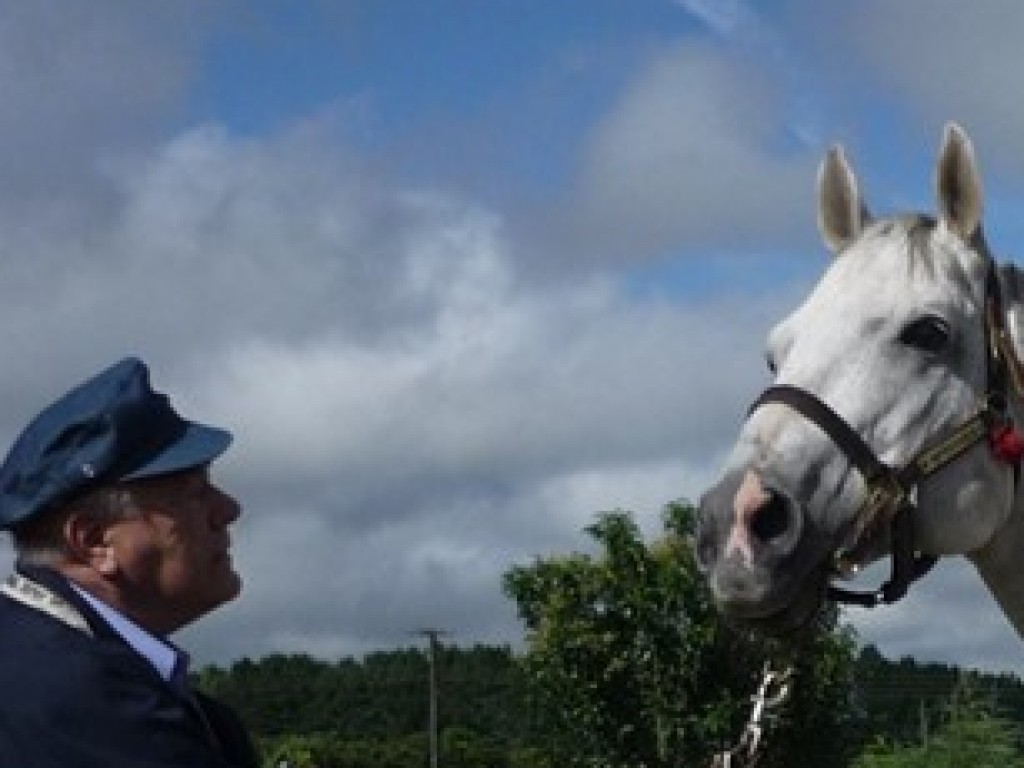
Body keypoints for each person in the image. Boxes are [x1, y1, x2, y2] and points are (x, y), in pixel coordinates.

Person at [0, 357, 257, 768]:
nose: (228, 509)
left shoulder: (39, 661)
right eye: (193, 493)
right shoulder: (92, 704)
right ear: (94, 541)